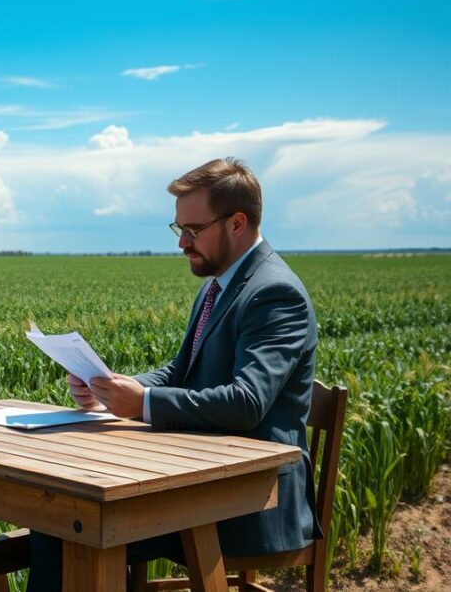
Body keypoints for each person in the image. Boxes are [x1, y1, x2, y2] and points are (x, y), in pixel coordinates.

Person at [27, 157, 321, 591]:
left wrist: (142, 404)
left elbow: (246, 403)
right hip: (202, 483)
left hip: (252, 501)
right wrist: (116, 387)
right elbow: (179, 371)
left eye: (193, 229)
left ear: (236, 223)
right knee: (67, 523)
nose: (182, 242)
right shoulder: (218, 285)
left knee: (73, 528)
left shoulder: (275, 294)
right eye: (178, 228)